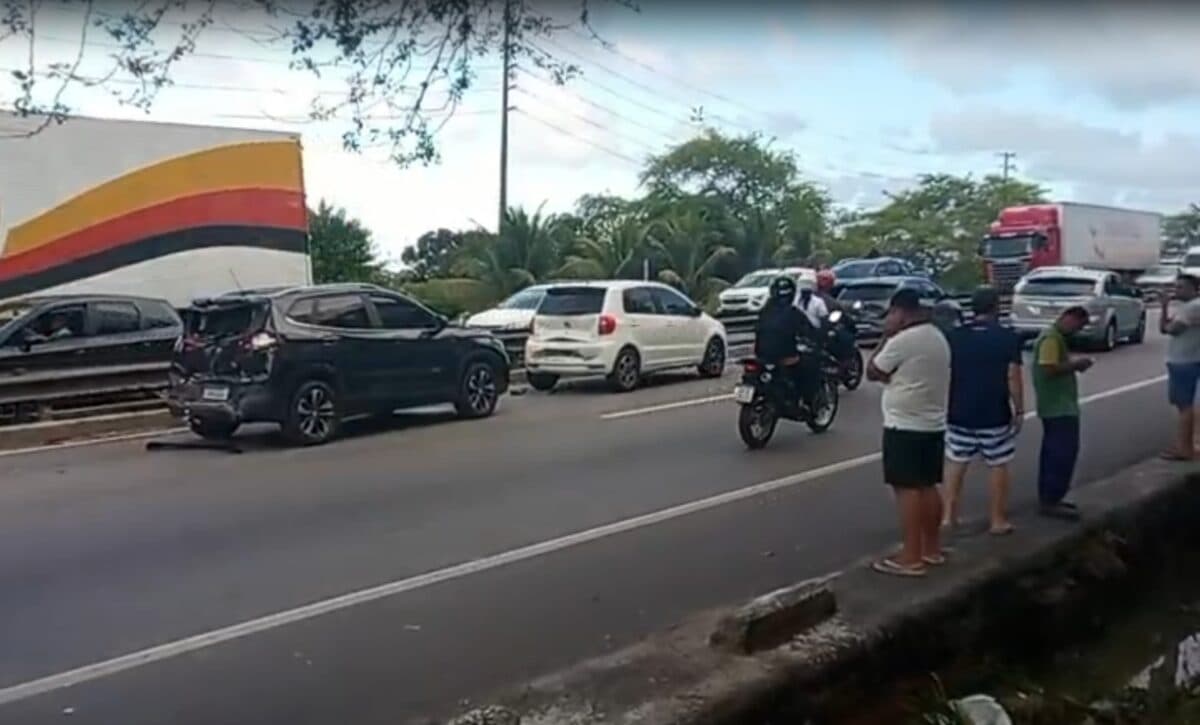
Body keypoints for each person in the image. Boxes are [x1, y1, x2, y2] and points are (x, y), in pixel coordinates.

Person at [867, 288, 951, 577]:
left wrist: (885, 337)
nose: (888, 319)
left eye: (890, 314)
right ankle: (931, 549)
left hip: (904, 426)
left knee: (907, 490)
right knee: (928, 486)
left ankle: (911, 556)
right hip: (932, 424)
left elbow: (873, 370)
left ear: (901, 312)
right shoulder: (936, 336)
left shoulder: (902, 341)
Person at [942, 287, 1024, 535]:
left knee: (956, 461)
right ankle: (997, 519)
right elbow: (1013, 377)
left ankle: (948, 516)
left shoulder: (955, 336)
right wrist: (1019, 410)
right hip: (993, 412)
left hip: (959, 411)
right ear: (996, 307)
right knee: (998, 463)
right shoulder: (1007, 338)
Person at [1032, 306, 1093, 520]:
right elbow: (1048, 367)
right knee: (1062, 454)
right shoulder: (1051, 338)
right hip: (1058, 407)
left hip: (1057, 405)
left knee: (1055, 453)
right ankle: (1050, 499)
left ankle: (1053, 497)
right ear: (1069, 318)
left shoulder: (1055, 337)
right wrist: (1075, 365)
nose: (1078, 330)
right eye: (1079, 325)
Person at [754, 275, 820, 411]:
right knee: (810, 367)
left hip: (761, 355)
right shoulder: (794, 313)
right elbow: (810, 331)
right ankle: (807, 402)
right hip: (785, 357)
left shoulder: (764, 311)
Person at [1159, 274, 1200, 461]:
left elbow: (1170, 330)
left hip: (1183, 361)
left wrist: (1164, 306)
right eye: (1176, 287)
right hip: (1190, 358)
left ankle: (1185, 448)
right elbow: (1164, 328)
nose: (1177, 291)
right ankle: (1188, 445)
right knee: (1187, 405)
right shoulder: (1188, 308)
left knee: (1184, 406)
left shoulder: (1192, 308)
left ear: (1194, 289)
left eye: (1181, 287)